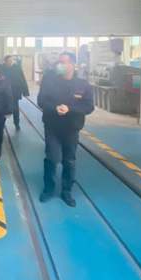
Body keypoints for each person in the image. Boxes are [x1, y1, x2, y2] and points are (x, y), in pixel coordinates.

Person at [37, 52, 94, 207]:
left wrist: (70, 109)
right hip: (52, 126)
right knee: (52, 158)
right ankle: (48, 189)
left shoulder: (83, 85)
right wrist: (55, 108)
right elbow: (41, 101)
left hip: (72, 128)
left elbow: (89, 106)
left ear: (73, 65)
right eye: (59, 62)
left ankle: (66, 191)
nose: (59, 65)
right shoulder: (49, 81)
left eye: (63, 62)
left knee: (69, 160)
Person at [4, 55, 30, 130]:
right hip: (4, 93)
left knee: (15, 109)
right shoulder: (3, 68)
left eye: (11, 61)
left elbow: (22, 79)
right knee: (4, 109)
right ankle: (2, 124)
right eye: (8, 61)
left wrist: (25, 92)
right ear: (5, 61)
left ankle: (16, 123)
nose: (10, 62)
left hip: (15, 92)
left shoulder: (17, 68)